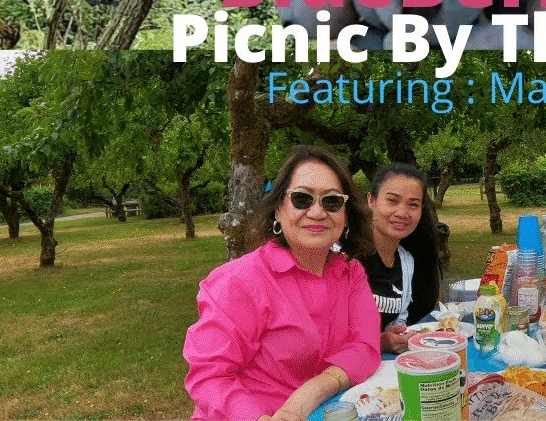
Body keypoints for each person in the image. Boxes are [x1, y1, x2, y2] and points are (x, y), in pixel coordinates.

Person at [184, 146, 381, 421]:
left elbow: (366, 345)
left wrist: (309, 394)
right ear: (278, 209)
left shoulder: (350, 273)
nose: (317, 211)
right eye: (302, 199)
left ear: (345, 215)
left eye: (332, 202)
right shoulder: (238, 282)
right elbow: (210, 376)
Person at [359, 162, 444, 353]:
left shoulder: (407, 262)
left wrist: (400, 338)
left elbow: (398, 325)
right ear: (372, 200)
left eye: (413, 204)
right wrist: (379, 343)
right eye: (392, 200)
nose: (402, 213)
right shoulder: (347, 257)